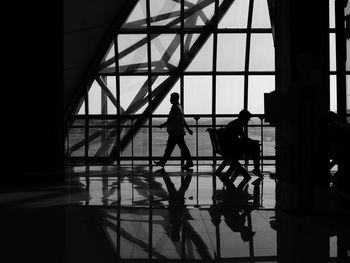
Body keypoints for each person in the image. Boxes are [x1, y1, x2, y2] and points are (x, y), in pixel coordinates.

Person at [154, 92, 194, 169]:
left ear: (175, 98)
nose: (170, 100)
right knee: (180, 148)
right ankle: (189, 162)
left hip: (175, 132)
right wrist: (188, 129)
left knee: (171, 148)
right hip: (178, 131)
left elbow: (173, 118)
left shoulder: (175, 107)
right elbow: (182, 119)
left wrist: (163, 124)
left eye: (171, 98)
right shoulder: (180, 107)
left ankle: (163, 162)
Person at [221, 109, 263, 177]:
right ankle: (256, 169)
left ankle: (256, 169)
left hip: (227, 147)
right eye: (247, 119)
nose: (248, 121)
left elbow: (239, 138)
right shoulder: (238, 125)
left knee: (254, 145)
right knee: (256, 147)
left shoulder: (234, 123)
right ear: (244, 118)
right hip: (232, 149)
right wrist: (253, 142)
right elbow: (243, 137)